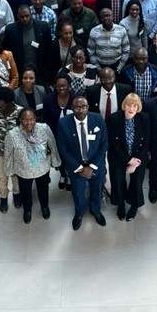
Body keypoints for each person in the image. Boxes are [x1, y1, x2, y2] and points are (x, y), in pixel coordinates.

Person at [57, 96, 109, 230]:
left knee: (96, 189)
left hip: (96, 165)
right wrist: (80, 167)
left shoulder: (97, 119)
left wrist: (91, 167)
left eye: (84, 107)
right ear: (72, 108)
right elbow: (63, 149)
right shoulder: (63, 123)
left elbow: (104, 144)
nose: (81, 110)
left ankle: (95, 210)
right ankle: (79, 213)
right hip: (76, 166)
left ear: (88, 107)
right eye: (77, 107)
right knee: (78, 192)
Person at [4, 108, 60, 223]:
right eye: (25, 120)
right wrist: (9, 171)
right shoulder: (12, 135)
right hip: (23, 170)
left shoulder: (44, 128)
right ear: (20, 120)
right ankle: (27, 210)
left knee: (43, 189)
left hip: (42, 167)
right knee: (25, 192)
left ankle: (45, 207)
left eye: (31, 119)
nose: (28, 123)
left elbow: (52, 145)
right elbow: (8, 155)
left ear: (35, 118)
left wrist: (55, 161)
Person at [107, 93, 150, 221]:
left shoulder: (144, 118)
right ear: (124, 105)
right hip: (118, 156)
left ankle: (134, 206)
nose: (131, 109)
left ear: (138, 107)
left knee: (136, 183)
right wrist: (128, 160)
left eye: (135, 106)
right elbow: (113, 144)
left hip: (138, 157)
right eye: (129, 105)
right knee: (118, 181)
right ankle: (120, 205)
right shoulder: (114, 118)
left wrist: (135, 163)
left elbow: (146, 143)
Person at [2, 3, 53, 81]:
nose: (25, 19)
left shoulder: (43, 26)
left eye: (27, 16)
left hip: (40, 70)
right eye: (22, 17)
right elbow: (7, 52)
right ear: (17, 16)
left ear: (31, 14)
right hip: (19, 71)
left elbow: (49, 49)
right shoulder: (10, 30)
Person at [43, 73, 76, 191]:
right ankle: (63, 174)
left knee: (71, 157)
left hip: (72, 136)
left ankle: (71, 176)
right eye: (58, 86)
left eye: (64, 86)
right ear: (55, 87)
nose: (61, 88)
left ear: (69, 86)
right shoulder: (48, 99)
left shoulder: (75, 99)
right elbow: (45, 119)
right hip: (54, 135)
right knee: (59, 157)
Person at [88, 8, 131, 73]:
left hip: (116, 65)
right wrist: (98, 69)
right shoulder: (94, 31)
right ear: (100, 18)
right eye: (103, 16)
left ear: (112, 16)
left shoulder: (121, 30)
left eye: (108, 15)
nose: (105, 18)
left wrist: (119, 68)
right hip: (100, 66)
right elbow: (91, 52)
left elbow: (126, 50)